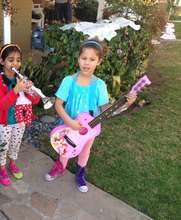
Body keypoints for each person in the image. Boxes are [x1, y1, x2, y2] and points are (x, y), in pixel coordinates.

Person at [45, 39, 137, 192]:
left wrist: (126, 104)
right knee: (66, 147)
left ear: (99, 61)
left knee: (85, 149)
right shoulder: (68, 81)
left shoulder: (100, 85)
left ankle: (80, 173)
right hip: (68, 124)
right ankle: (60, 166)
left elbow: (105, 108)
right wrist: (69, 122)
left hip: (90, 127)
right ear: (78, 58)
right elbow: (58, 104)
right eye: (84, 58)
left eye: (92, 59)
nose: (87, 63)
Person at [0, 44, 41, 186]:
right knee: (4, 145)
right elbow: (2, 104)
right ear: (2, 62)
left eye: (18, 60)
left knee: (15, 143)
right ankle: (1, 168)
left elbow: (35, 100)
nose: (15, 63)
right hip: (4, 121)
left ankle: (12, 163)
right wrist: (16, 90)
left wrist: (30, 90)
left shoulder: (21, 79)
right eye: (11, 60)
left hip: (20, 119)